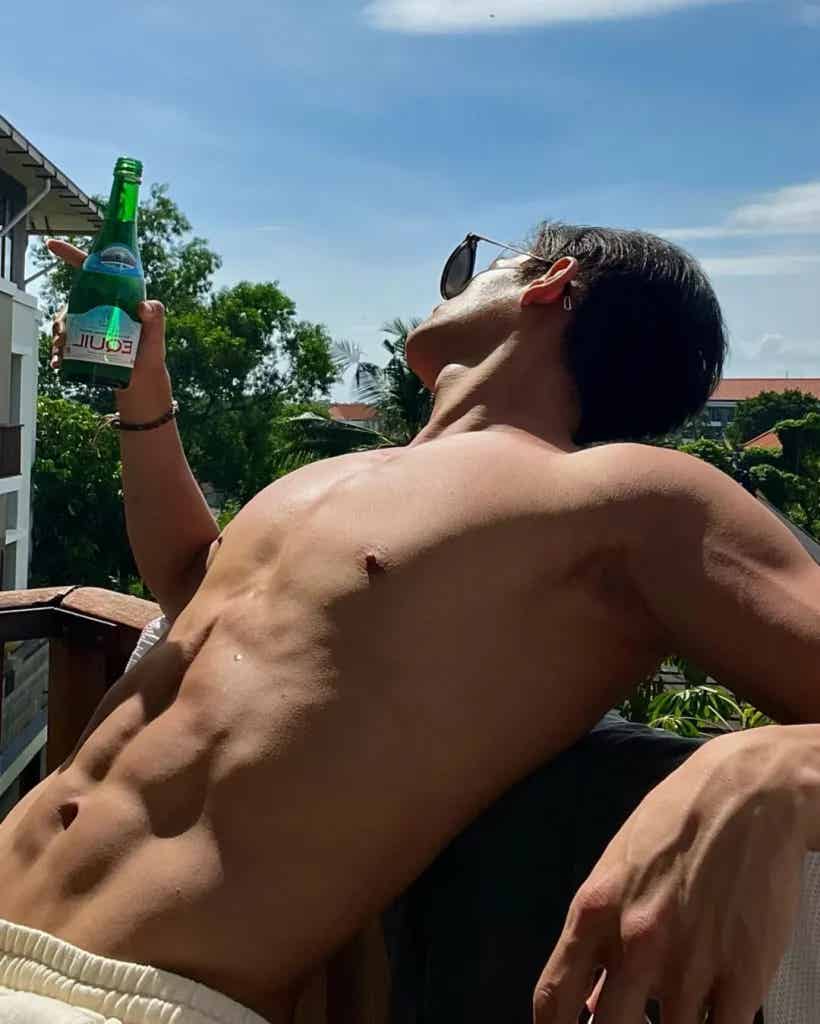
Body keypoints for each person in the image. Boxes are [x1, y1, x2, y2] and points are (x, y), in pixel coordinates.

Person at [1, 223, 819, 1024]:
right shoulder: (336, 474)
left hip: (130, 994)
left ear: (551, 281)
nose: (446, 286)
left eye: (470, 264)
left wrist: (769, 765)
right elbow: (192, 581)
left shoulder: (627, 496)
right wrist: (144, 391)